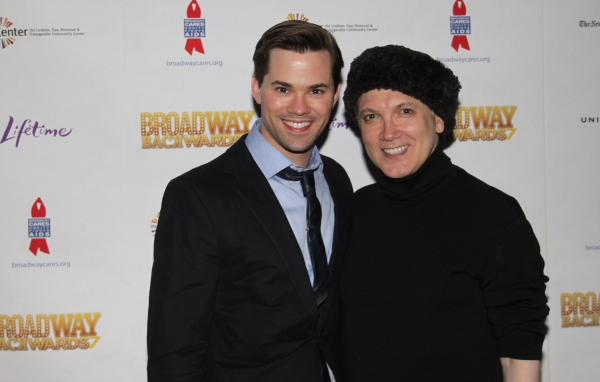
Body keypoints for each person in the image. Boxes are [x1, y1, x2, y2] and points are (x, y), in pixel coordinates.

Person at [147, 20, 352, 382]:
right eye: (283, 88)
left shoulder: (336, 179)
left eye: (316, 90)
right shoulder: (197, 196)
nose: (300, 107)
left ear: (335, 94)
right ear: (257, 88)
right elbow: (175, 350)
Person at [338, 45, 549, 382]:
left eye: (405, 111)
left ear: (438, 119)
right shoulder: (352, 211)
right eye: (371, 116)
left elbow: (518, 354)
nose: (388, 132)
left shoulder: (492, 215)